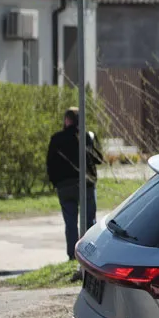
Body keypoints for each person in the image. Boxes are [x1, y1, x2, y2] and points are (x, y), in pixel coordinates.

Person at [46, 107, 103, 261]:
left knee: (70, 222)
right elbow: (99, 158)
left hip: (64, 186)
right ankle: (90, 255)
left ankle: (73, 255)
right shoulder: (84, 137)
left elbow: (49, 164)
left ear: (67, 120)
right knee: (90, 221)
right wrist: (92, 140)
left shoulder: (56, 139)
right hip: (86, 185)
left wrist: (55, 182)